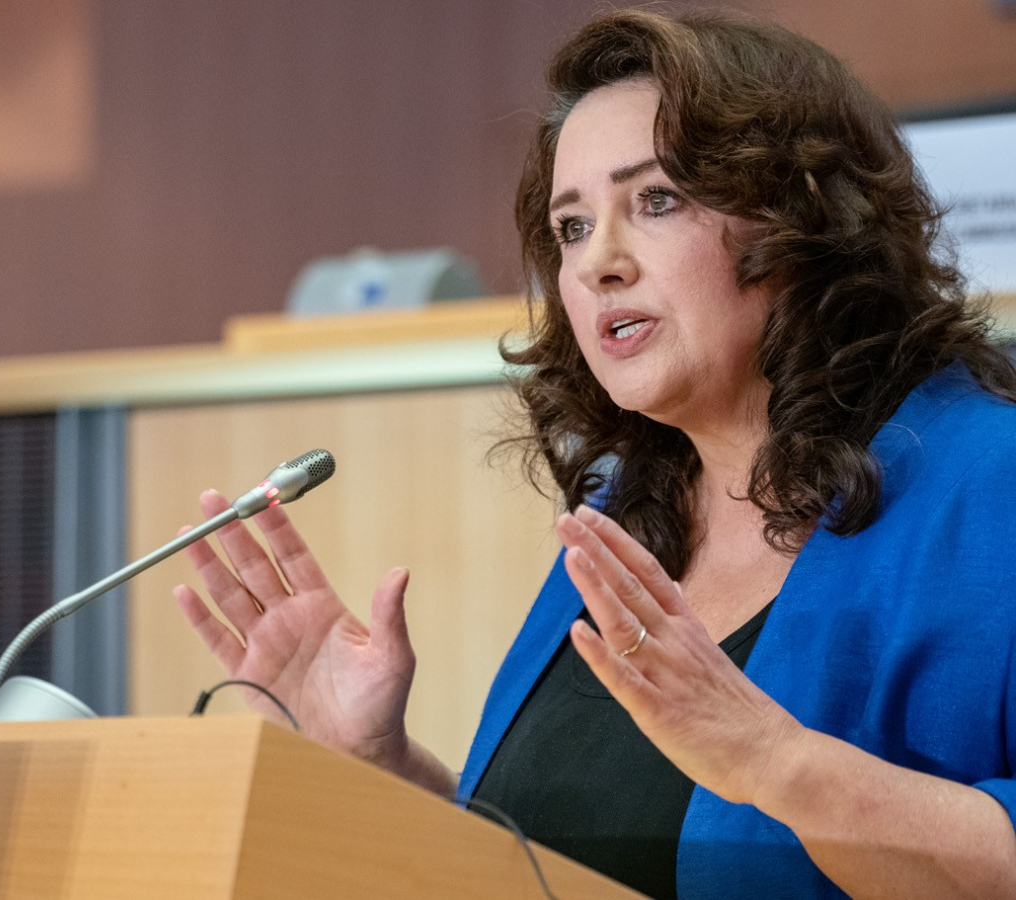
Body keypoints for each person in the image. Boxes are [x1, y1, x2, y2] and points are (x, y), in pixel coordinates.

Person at [173, 10, 1016, 900]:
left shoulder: (989, 485)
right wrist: (376, 765)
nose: (597, 264)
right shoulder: (631, 512)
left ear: (803, 221)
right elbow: (560, 865)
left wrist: (770, 762)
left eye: (656, 200)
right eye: (571, 228)